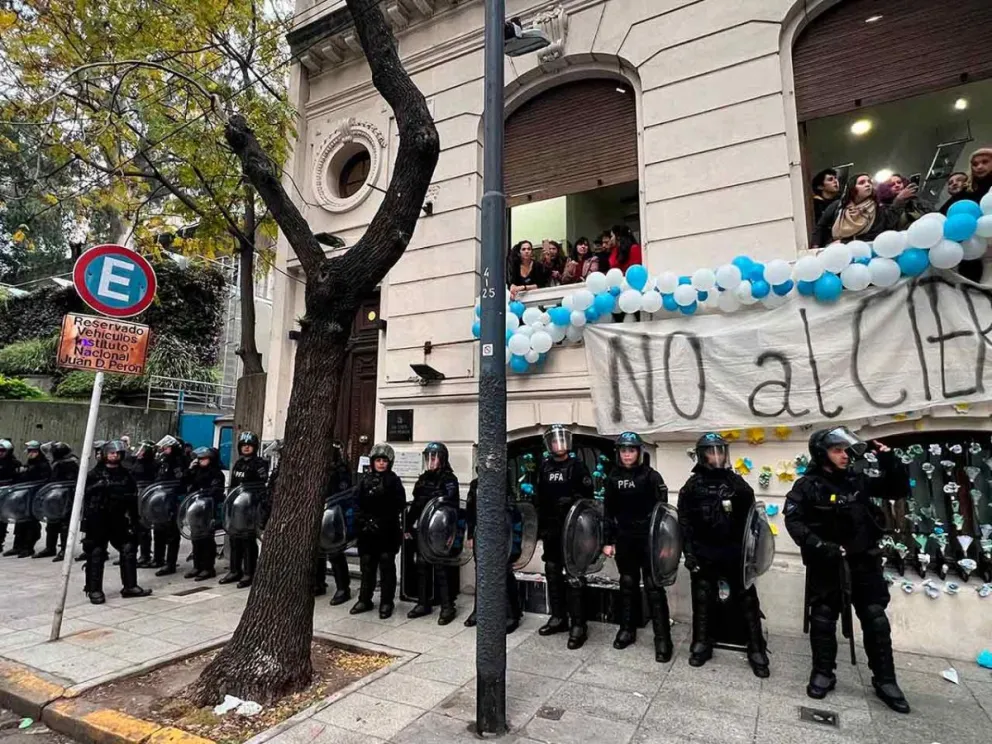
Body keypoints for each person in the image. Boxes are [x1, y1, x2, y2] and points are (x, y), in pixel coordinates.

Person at [784, 427, 910, 713]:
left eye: (845, 449)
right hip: (828, 564)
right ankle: (823, 672)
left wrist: (890, 461)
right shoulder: (808, 485)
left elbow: (897, 489)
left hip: (864, 561)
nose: (844, 455)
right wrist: (820, 546)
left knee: (875, 618)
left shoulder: (858, 480)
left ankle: (886, 680)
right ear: (822, 454)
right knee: (824, 618)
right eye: (836, 450)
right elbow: (794, 521)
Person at [678, 433, 769, 677]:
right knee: (702, 597)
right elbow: (684, 523)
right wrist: (689, 553)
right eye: (711, 451)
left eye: (720, 450)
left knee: (747, 598)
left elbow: (753, 521)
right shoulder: (692, 487)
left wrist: (751, 556)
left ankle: (756, 647)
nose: (717, 456)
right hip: (705, 551)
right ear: (702, 455)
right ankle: (701, 643)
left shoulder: (737, 484)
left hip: (733, 552)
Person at [602, 432, 673, 663]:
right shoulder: (613, 478)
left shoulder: (652, 477)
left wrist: (664, 544)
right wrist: (607, 541)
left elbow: (664, 513)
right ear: (619, 453)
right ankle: (627, 629)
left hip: (649, 539)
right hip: (625, 538)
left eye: (631, 450)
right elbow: (608, 513)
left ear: (639, 452)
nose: (627, 454)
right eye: (623, 450)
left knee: (654, 586)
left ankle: (662, 638)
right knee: (627, 584)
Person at [537, 424, 594, 650]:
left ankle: (579, 624)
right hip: (552, 529)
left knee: (574, 574)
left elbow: (589, 499)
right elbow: (539, 498)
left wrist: (573, 500)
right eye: (554, 441)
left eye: (562, 440)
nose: (558, 445)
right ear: (549, 444)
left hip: (573, 530)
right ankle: (558, 617)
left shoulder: (578, 466)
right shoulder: (544, 467)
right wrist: (540, 527)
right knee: (552, 572)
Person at [81, 440, 152, 604]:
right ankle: (94, 589)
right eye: (112, 453)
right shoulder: (94, 474)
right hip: (98, 519)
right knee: (96, 552)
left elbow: (133, 498)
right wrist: (98, 488)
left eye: (117, 453)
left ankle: (130, 586)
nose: (115, 455)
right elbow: (83, 496)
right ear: (105, 454)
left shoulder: (126, 474)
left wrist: (135, 520)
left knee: (128, 548)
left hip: (118, 518)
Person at [405, 442, 461, 625]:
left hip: (440, 532)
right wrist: (406, 526)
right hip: (422, 528)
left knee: (441, 568)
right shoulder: (422, 479)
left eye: (434, 457)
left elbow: (451, 508)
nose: (431, 461)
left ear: (442, 459)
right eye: (428, 457)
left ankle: (447, 606)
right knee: (421, 565)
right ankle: (423, 603)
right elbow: (416, 504)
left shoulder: (449, 479)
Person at [463, 461, 522, 633]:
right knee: (480, 571)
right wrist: (470, 535)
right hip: (480, 532)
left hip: (500, 533)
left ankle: (512, 614)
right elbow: (470, 509)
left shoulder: (502, 482)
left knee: (504, 571)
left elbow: (511, 510)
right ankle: (479, 610)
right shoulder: (475, 484)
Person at [350, 443, 405, 619]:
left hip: (387, 531)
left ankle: (387, 602)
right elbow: (356, 503)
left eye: (384, 461)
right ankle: (365, 599)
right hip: (367, 532)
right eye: (378, 460)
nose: (381, 464)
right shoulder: (364, 481)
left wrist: (382, 521)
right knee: (367, 565)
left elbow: (399, 504)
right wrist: (364, 521)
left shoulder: (394, 481)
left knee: (387, 564)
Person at [221, 432, 269, 589]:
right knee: (235, 539)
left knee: (248, 541)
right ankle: (235, 570)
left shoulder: (260, 464)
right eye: (243, 445)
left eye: (249, 445)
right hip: (236, 507)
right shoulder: (238, 464)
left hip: (250, 508)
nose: (246, 447)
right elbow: (234, 486)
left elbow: (261, 486)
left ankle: (250, 572)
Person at [812, 174, 909, 249]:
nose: (867, 184)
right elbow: (821, 226)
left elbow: (874, 236)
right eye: (862, 183)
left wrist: (844, 242)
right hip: (836, 254)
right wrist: (815, 247)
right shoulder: (838, 205)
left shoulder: (878, 209)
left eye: (869, 182)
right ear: (852, 188)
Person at [314, 441, 352, 604]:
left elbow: (344, 493)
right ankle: (318, 582)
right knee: (316, 551)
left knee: (335, 552)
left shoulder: (341, 470)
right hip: (318, 512)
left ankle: (343, 588)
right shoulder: (316, 466)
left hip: (334, 514)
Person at [32, 442, 79, 561]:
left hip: (66, 498)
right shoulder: (61, 463)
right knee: (52, 523)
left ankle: (64, 549)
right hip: (55, 498)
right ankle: (50, 547)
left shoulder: (69, 464)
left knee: (65, 525)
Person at [184, 446, 225, 581]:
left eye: (204, 458)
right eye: (199, 459)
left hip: (208, 509)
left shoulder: (216, 473)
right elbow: (185, 482)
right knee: (196, 538)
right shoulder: (196, 471)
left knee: (207, 539)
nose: (200, 461)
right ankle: (197, 566)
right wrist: (190, 469)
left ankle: (208, 567)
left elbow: (216, 491)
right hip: (195, 508)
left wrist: (203, 492)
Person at [151, 435, 187, 575]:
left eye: (167, 447)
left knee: (172, 533)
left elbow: (181, 480)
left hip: (173, 501)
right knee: (159, 530)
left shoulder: (179, 461)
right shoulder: (163, 461)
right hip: (161, 500)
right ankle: (158, 558)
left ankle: (170, 563)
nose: (164, 450)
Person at [9, 441, 51, 558]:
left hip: (34, 498)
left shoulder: (43, 465)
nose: (31, 453)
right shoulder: (30, 463)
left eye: (34, 451)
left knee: (31, 524)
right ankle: (17, 546)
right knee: (20, 522)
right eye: (29, 451)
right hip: (24, 498)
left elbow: (43, 481)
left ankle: (28, 547)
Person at [130, 441, 158, 568]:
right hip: (135, 496)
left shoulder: (153, 464)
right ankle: (132, 554)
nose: (139, 452)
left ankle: (145, 555)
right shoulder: (136, 462)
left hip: (146, 497)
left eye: (142, 451)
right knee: (134, 528)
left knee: (144, 527)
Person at [0, 439, 21, 554]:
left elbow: (19, 480)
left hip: (8, 495)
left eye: (2, 450)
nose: (0, 453)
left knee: (3, 519)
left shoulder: (14, 464)